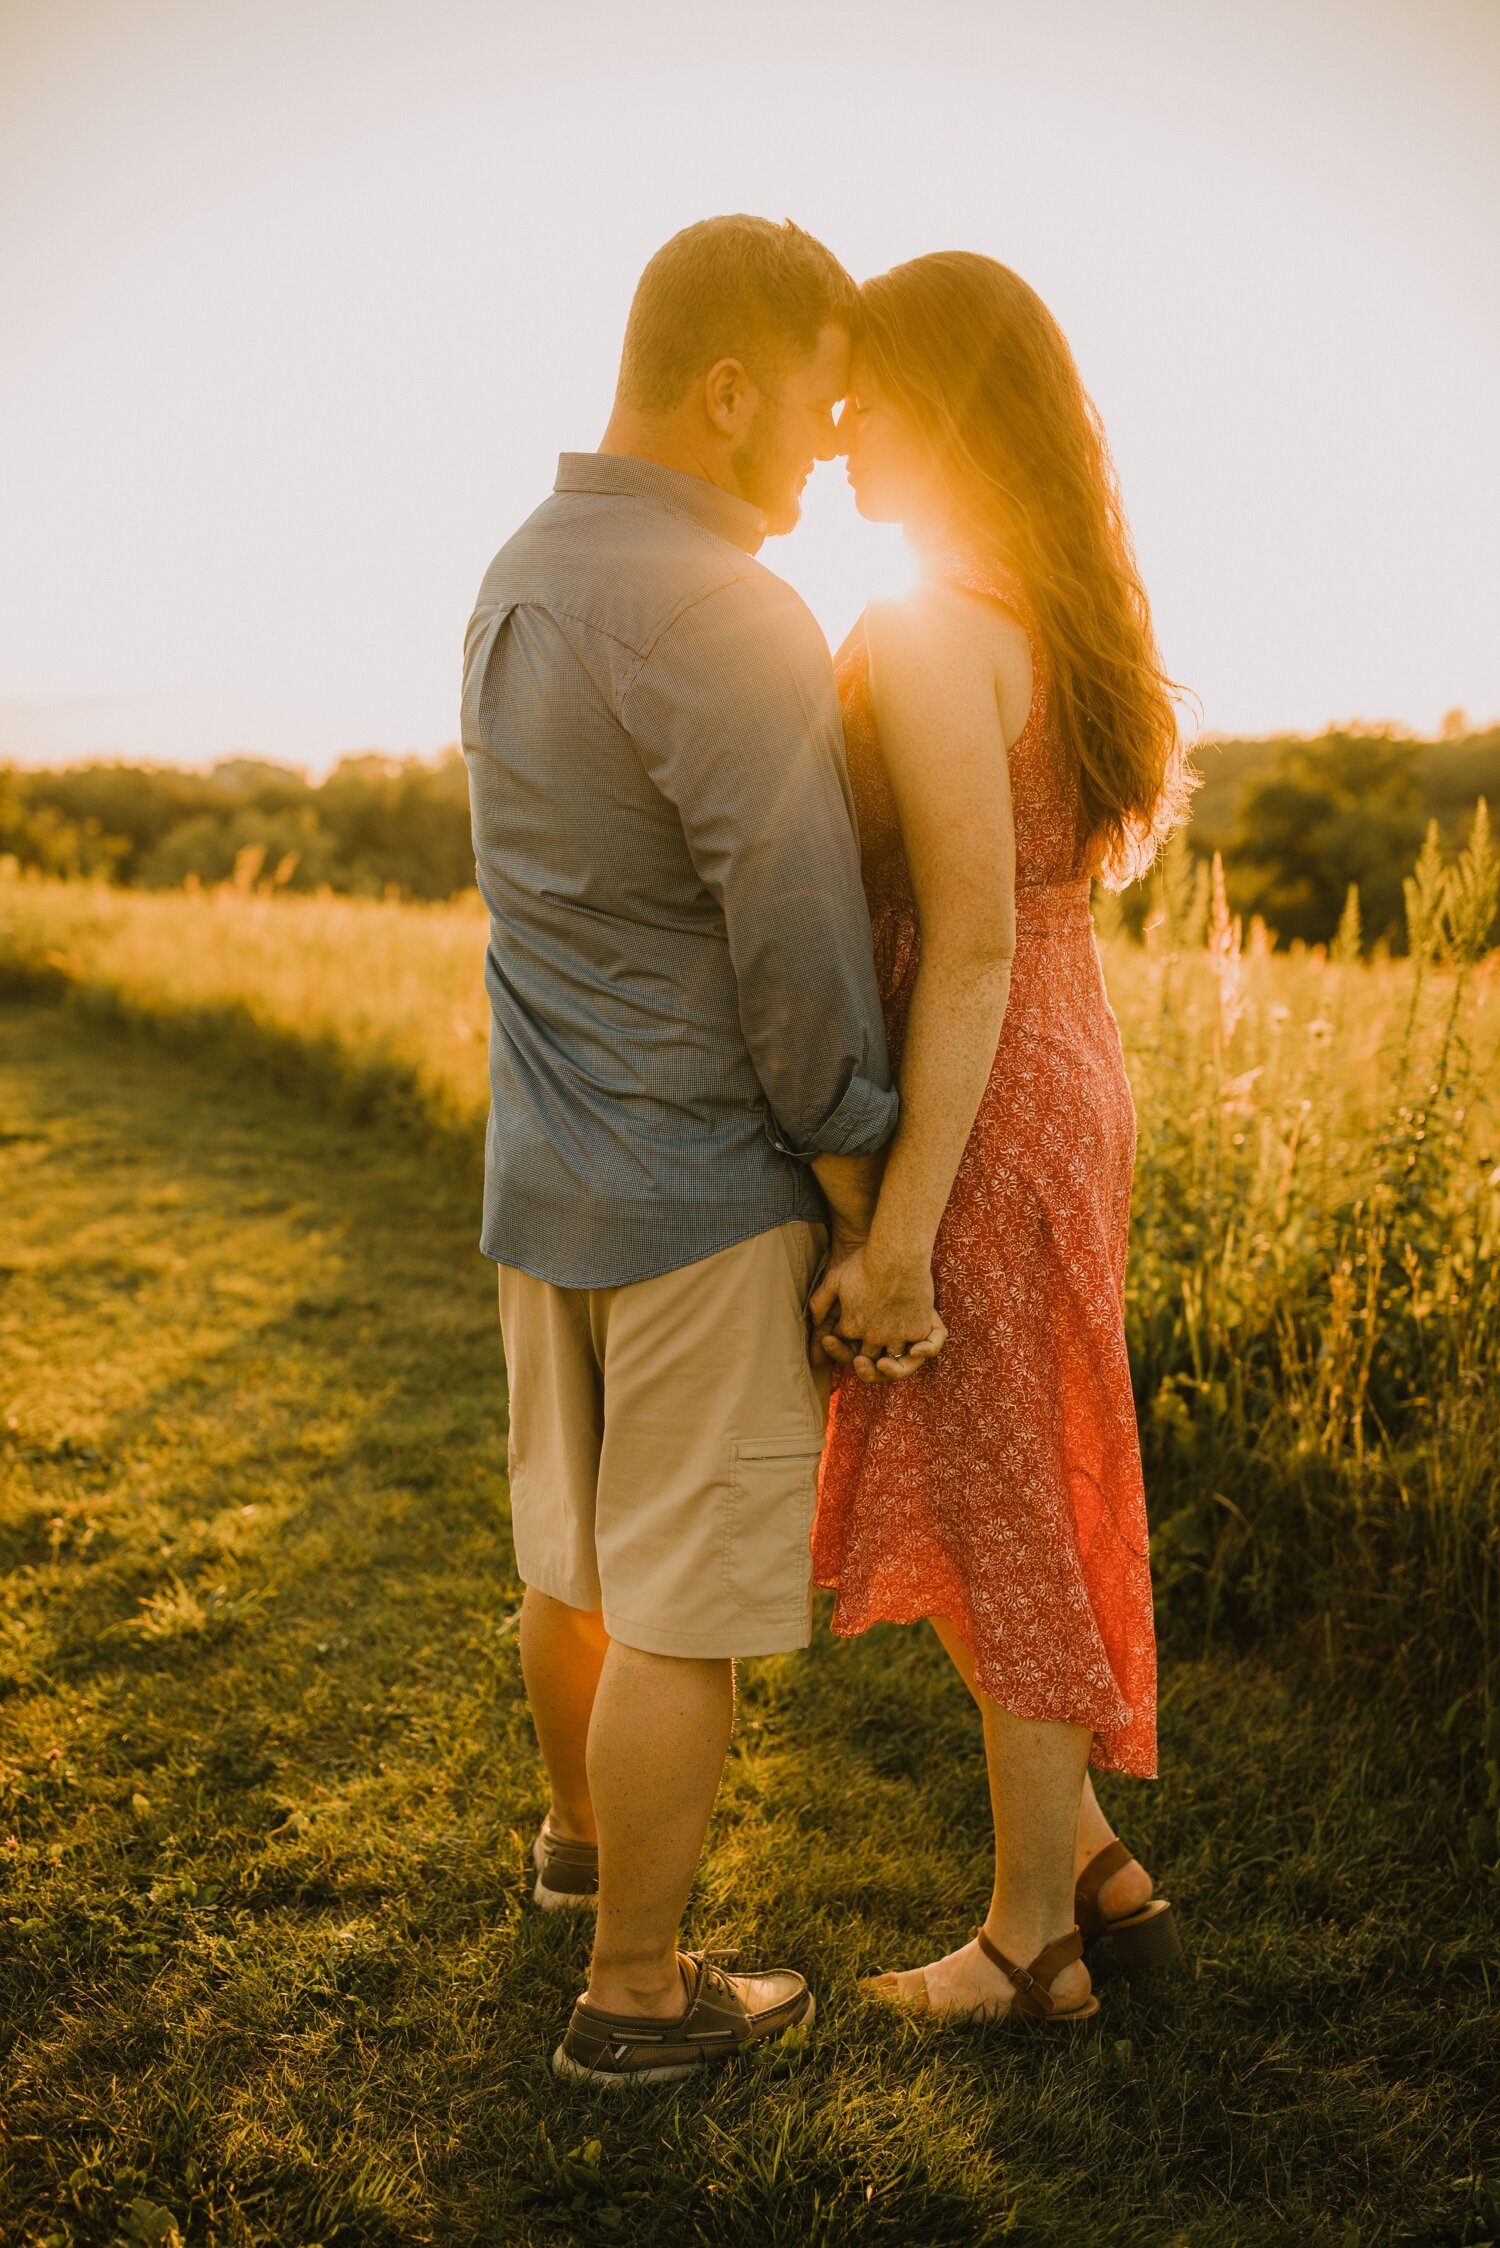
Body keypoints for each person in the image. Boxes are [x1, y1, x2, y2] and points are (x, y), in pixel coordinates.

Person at [461, 215, 939, 2085]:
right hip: (699, 1195)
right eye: (817, 409)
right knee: (681, 1611)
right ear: (725, 385)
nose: (830, 453)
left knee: (570, 1561)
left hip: (547, 1176)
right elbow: (799, 935)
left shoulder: (520, 566)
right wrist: (855, 1189)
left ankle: (584, 1861)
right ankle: (641, 2000)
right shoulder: (724, 605)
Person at [810, 252, 1192, 2029]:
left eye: (869, 389)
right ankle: (1095, 1854)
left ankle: (1033, 1940)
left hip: (996, 1086)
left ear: (940, 405)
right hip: (1065, 1057)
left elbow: (964, 938)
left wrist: (896, 1231)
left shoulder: (932, 623)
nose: (842, 422)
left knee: (1006, 1490)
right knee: (992, 1472)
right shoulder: (1034, 599)